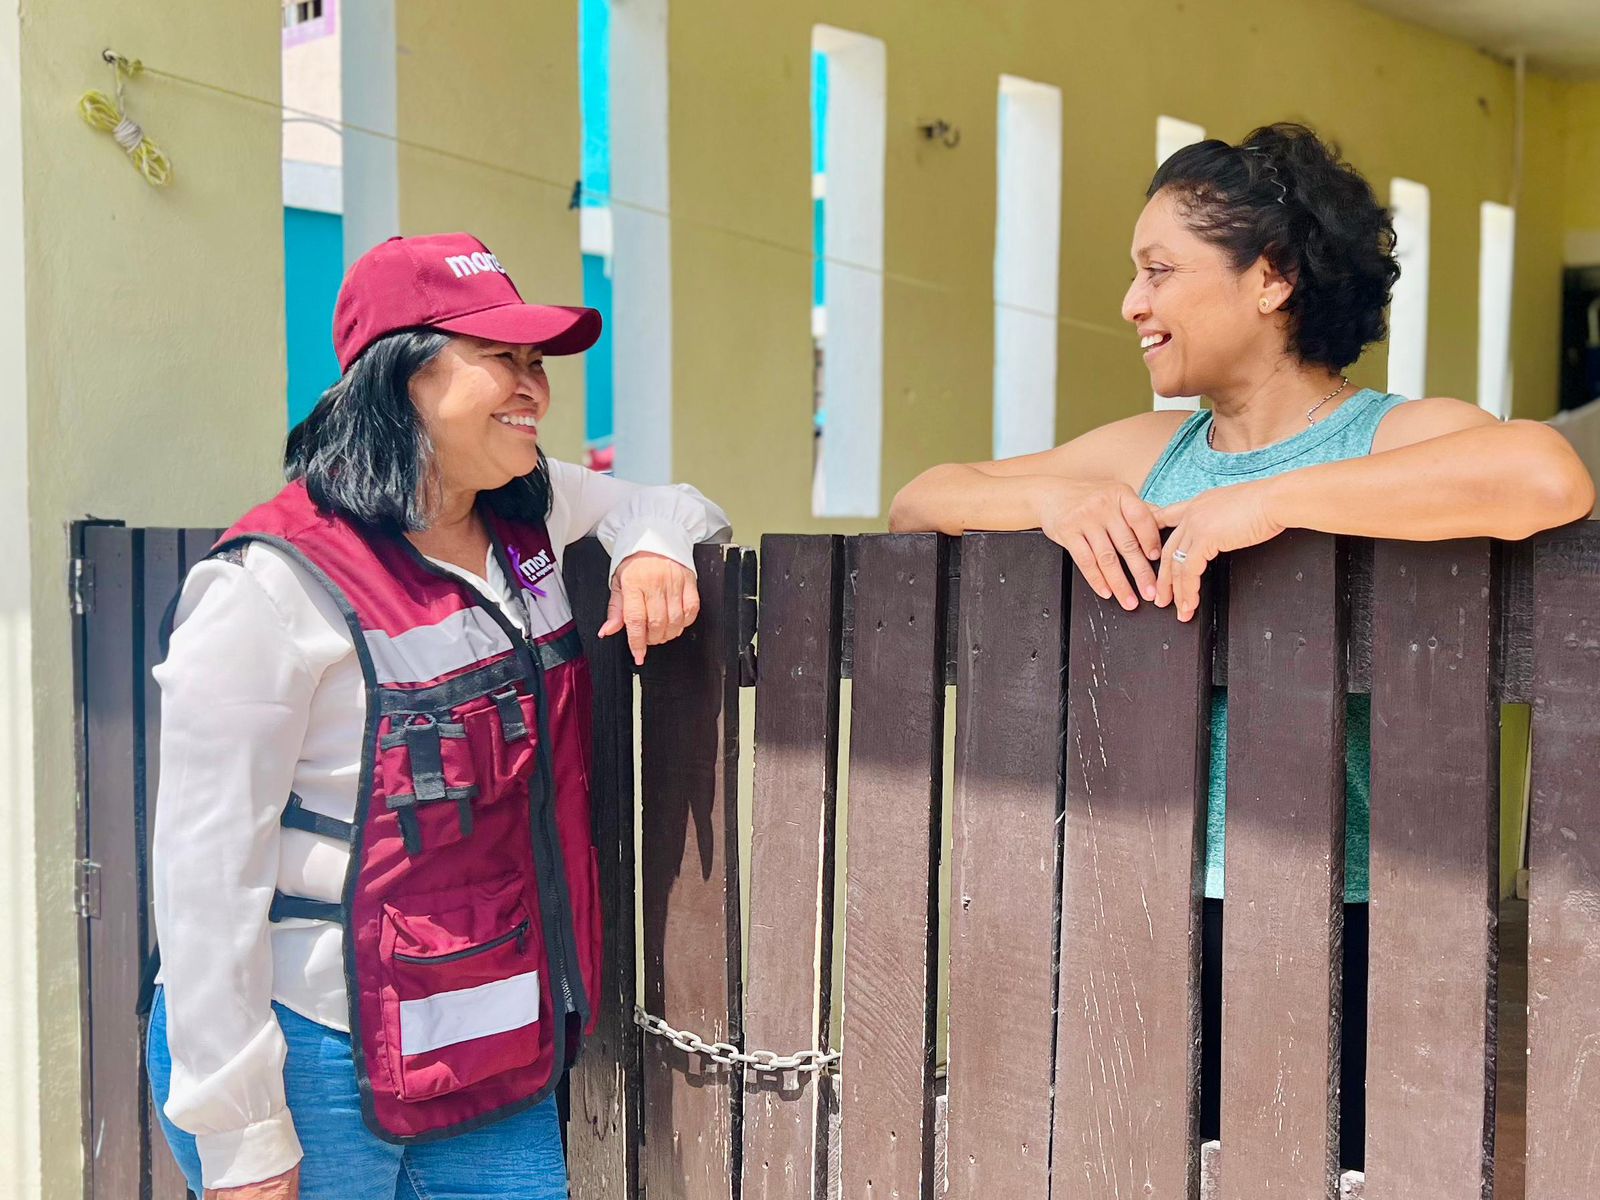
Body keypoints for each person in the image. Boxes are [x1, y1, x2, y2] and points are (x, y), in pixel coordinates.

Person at [890, 123, 1594, 1168]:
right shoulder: (1151, 451)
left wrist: (1270, 502)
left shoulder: (1387, 435)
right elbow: (919, 501)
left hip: (1355, 912)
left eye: (1160, 271)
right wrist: (1054, 498)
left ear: (1271, 278)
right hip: (1146, 899)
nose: (1132, 304)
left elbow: (1547, 476)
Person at [147, 233, 731, 1199]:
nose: (534, 387)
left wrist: (653, 549)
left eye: (538, 362)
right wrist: (244, 1135)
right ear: (399, 378)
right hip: (312, 1051)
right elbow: (204, 875)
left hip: (491, 1046)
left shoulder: (528, 513)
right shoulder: (268, 585)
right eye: (500, 357)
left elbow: (673, 502)